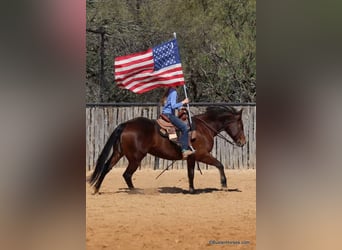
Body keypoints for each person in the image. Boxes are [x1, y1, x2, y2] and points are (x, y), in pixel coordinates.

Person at [161, 87, 195, 159]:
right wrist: (184, 102)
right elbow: (173, 106)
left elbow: (171, 105)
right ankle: (184, 150)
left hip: (166, 113)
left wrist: (180, 107)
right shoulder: (174, 92)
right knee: (185, 128)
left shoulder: (170, 90)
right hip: (169, 115)